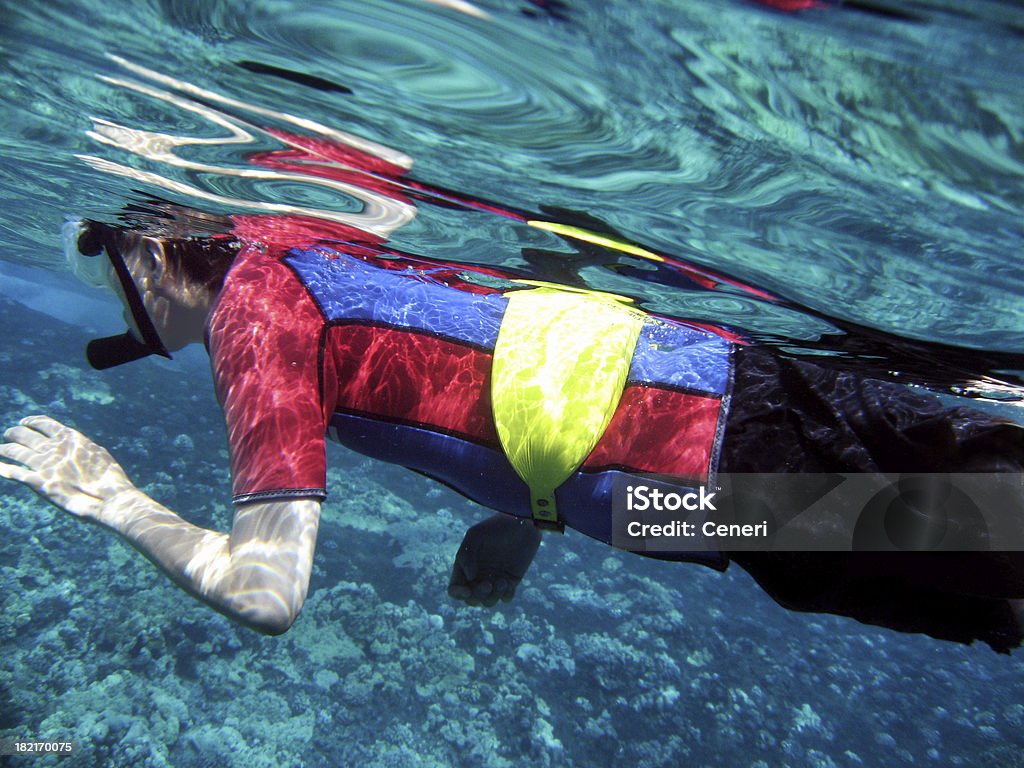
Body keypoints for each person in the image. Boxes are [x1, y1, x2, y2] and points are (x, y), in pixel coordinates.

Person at [2, 204, 1023, 654]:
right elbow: (501, 356)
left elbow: (264, 595)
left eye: (105, 260)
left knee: (986, 566)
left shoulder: (255, 307)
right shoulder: (295, 245)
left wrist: (110, 495)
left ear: (143, 256)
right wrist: (530, 505)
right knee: (997, 532)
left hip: (684, 483)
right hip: (712, 420)